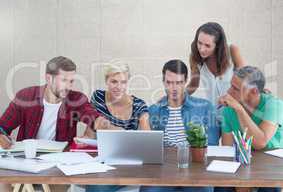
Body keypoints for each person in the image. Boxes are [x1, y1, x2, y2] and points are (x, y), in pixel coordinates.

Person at [0, 56, 104, 191]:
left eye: (71, 81)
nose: (68, 86)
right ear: (49, 78)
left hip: (58, 164)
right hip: (27, 161)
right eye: (64, 80)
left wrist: (101, 122)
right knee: (3, 176)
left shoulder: (76, 99)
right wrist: (1, 136)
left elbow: (92, 116)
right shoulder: (25, 96)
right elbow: (3, 126)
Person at [140, 59, 219, 192]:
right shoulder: (153, 110)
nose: (174, 88)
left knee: (205, 189)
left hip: (194, 170)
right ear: (163, 82)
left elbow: (212, 144)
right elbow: (148, 148)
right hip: (163, 171)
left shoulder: (205, 107)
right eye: (169, 83)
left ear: (186, 80)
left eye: (179, 83)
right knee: (148, 190)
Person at [85, 62, 150, 192]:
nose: (118, 87)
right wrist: (82, 141)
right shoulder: (98, 98)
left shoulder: (139, 105)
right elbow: (90, 134)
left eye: (123, 82)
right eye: (114, 82)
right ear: (106, 81)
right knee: (94, 185)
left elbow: (148, 141)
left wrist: (109, 128)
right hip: (101, 161)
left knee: (97, 187)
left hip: (126, 162)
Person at [220, 66, 283, 192]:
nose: (229, 91)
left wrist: (239, 109)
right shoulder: (228, 109)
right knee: (221, 187)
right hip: (243, 164)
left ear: (254, 91)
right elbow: (227, 148)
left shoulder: (273, 105)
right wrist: (240, 180)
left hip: (270, 167)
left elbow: (260, 142)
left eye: (235, 89)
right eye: (231, 86)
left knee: (271, 189)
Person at [187, 22, 246, 107]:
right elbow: (193, 84)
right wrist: (174, 97)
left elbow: (246, 79)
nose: (202, 49)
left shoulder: (232, 51)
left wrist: (259, 90)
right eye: (199, 43)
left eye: (207, 46)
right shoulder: (195, 58)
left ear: (217, 45)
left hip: (235, 111)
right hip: (214, 112)